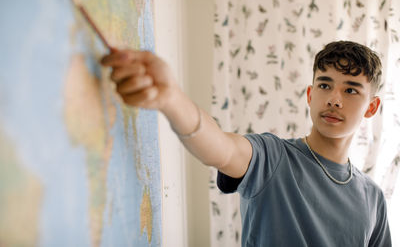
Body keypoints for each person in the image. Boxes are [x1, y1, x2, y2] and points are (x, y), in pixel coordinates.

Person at [101, 41, 391, 246]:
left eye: (351, 90)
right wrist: (170, 99)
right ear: (310, 94)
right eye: (325, 85)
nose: (334, 99)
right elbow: (221, 147)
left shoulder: (374, 199)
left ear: (371, 107)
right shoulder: (273, 157)